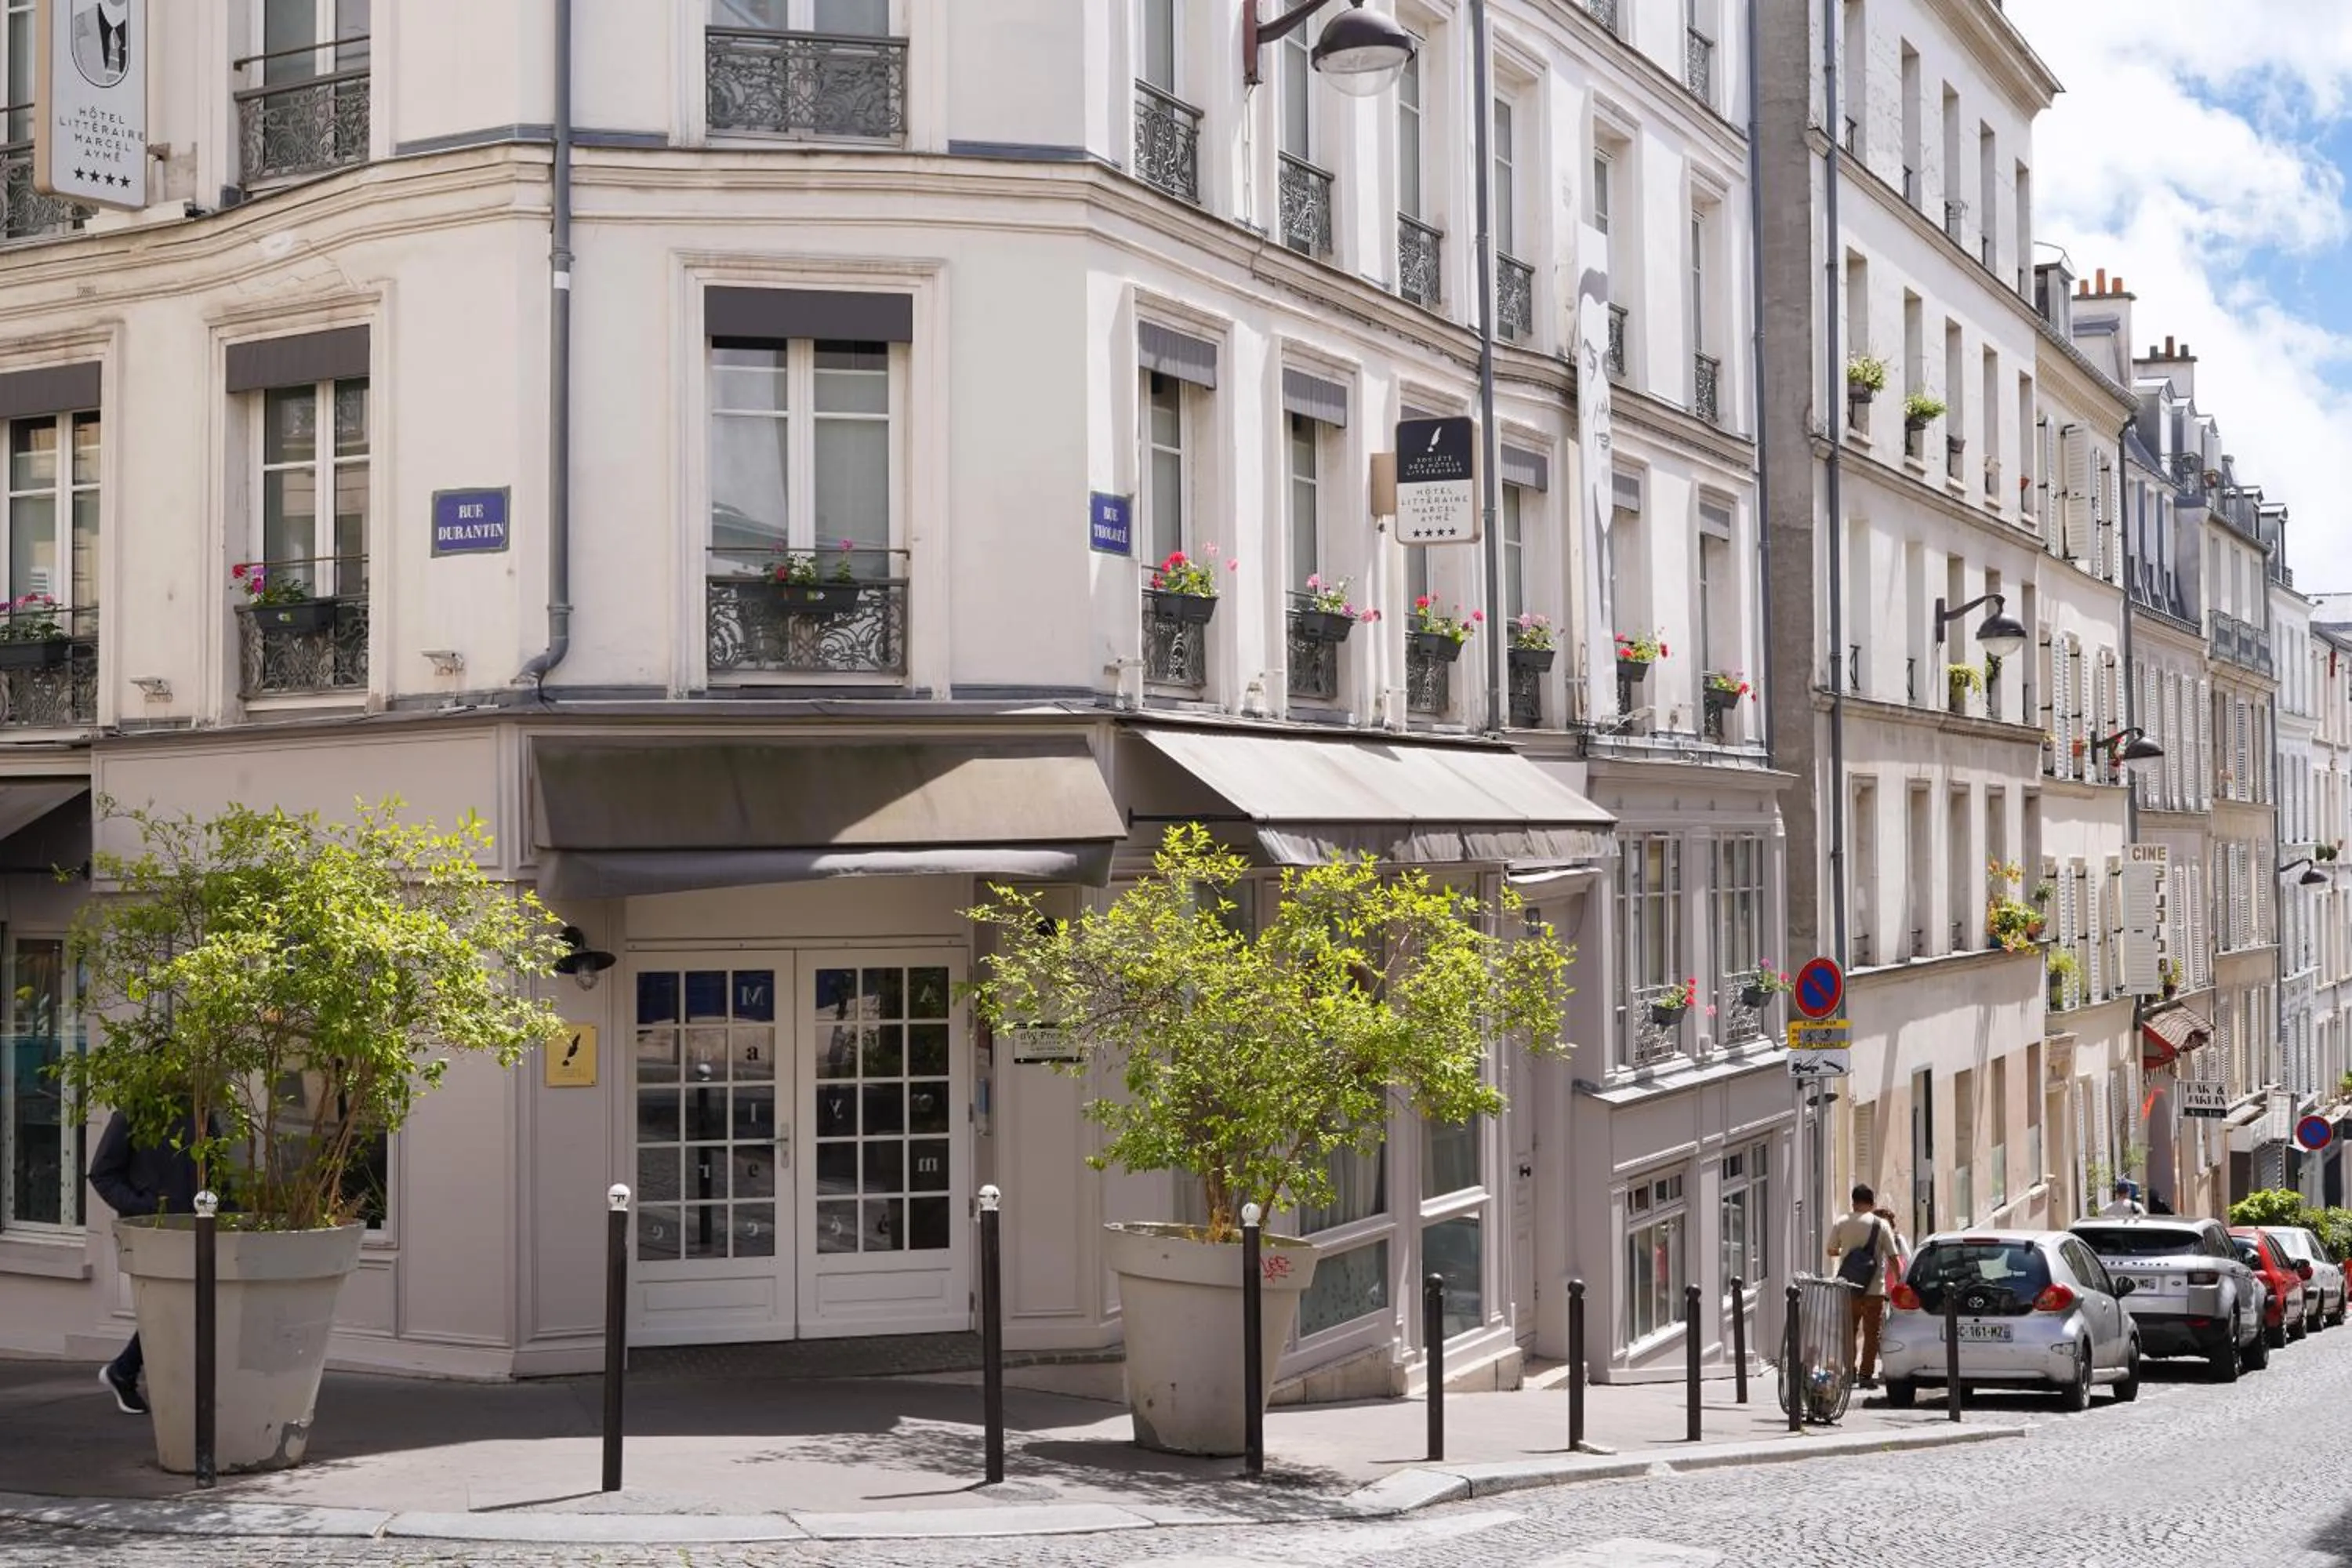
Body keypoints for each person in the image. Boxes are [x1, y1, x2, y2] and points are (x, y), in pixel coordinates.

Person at [86, 1107, 203, 1416]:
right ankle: (125, 1371)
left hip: (198, 1228)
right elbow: (102, 1174)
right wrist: (143, 1208)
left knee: (184, 1307)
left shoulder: (201, 1110)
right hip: (153, 1231)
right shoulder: (133, 1114)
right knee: (169, 1306)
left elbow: (214, 1170)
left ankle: (126, 1371)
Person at [1826, 1183, 1902, 1390]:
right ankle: (1866, 1374)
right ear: (1872, 1202)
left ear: (1853, 1202)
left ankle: (1849, 1372)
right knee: (1872, 1333)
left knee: (1849, 1331)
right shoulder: (1881, 1225)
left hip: (1848, 1287)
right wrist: (1901, 1280)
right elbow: (1893, 1257)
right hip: (1874, 1289)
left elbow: (1831, 1250)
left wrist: (1847, 1252)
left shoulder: (1842, 1221)